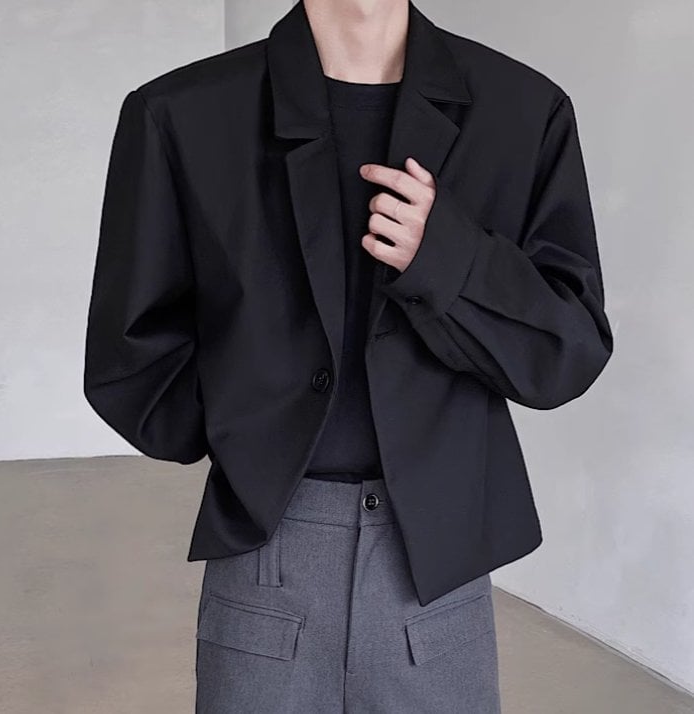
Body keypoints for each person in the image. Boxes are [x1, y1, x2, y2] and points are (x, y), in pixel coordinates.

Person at [83, 0, 613, 711]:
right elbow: (129, 357)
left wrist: (448, 258)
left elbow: (567, 351)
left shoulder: (523, 112)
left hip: (440, 570)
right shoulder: (180, 115)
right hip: (267, 560)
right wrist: (250, 437)